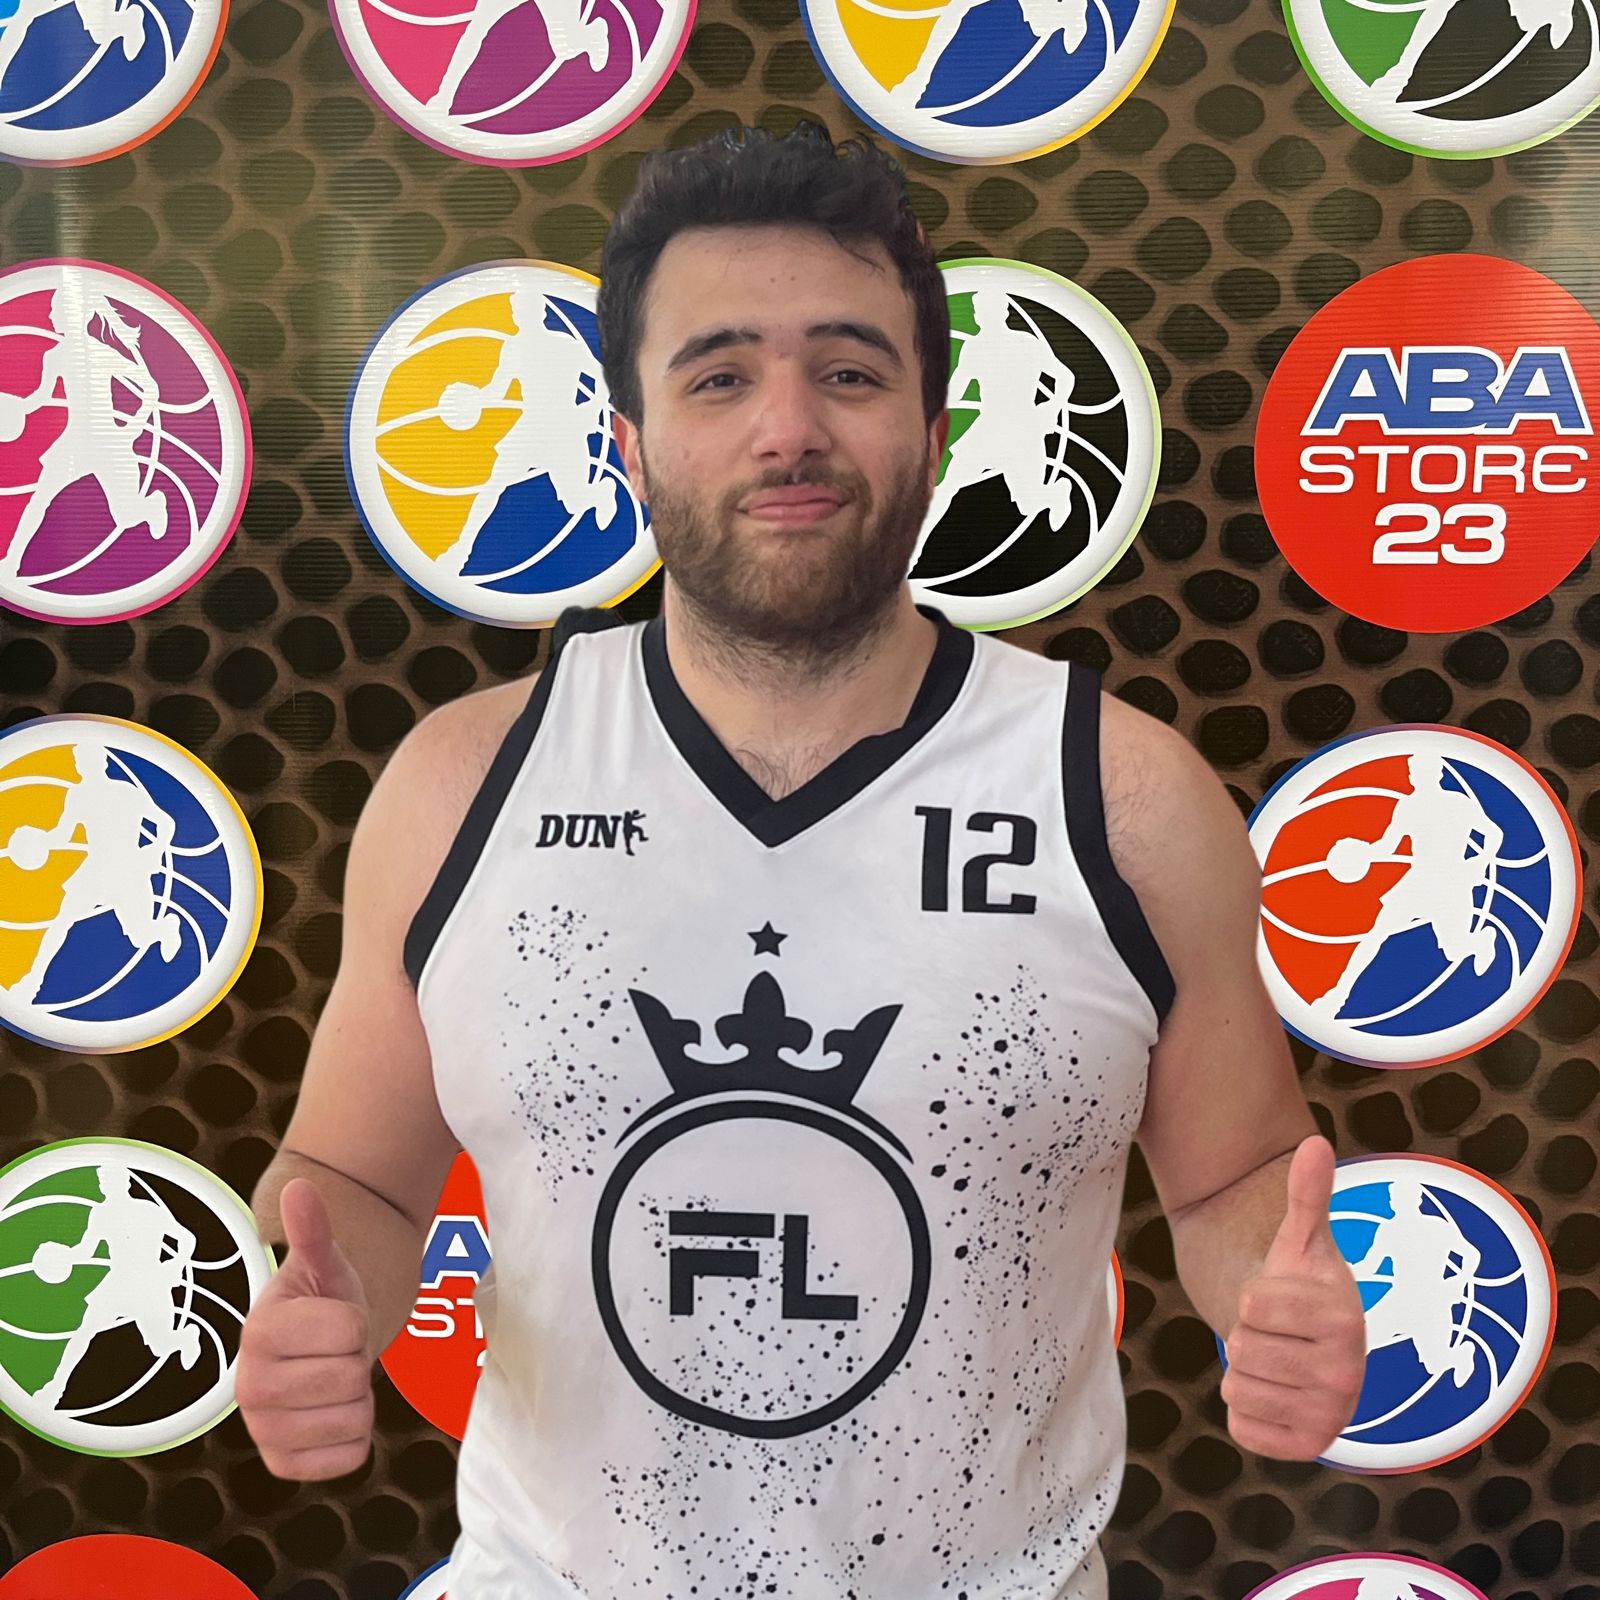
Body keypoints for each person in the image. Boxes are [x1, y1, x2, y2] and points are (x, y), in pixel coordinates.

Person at [236, 121, 1367, 1599]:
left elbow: (1234, 1181)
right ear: (629, 440)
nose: (788, 429)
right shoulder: (464, 786)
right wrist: (318, 1296)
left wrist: (1272, 1298)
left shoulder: (1126, 797)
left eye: (849, 371)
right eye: (718, 377)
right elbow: (352, 1177)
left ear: (934, 428)